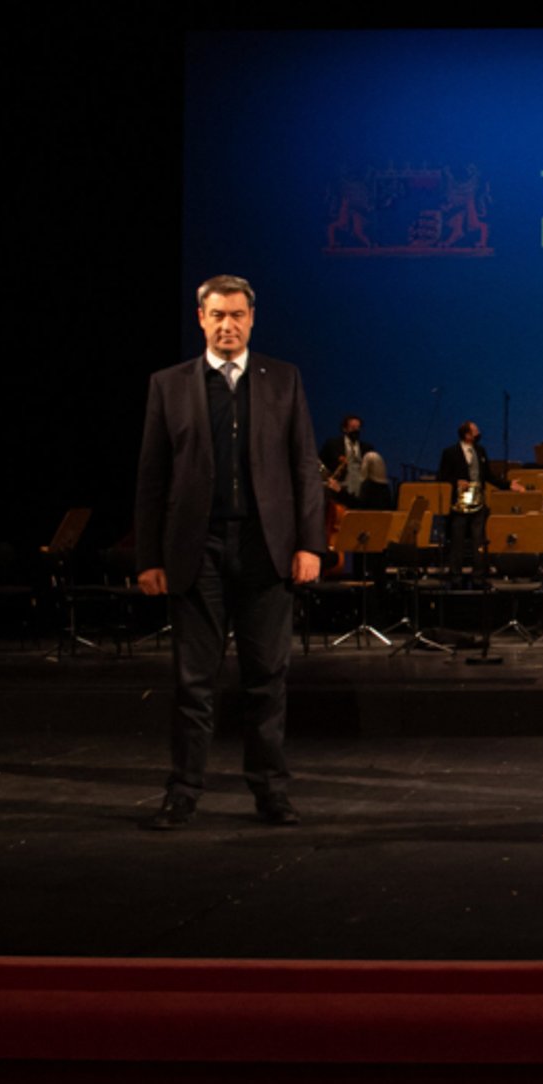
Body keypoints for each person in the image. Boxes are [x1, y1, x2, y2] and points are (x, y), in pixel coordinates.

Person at [134, 274, 324, 830]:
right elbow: (151, 479)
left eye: (237, 315)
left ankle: (271, 791)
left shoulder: (282, 380)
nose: (227, 325)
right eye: (217, 315)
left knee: (266, 678)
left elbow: (303, 468)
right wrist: (148, 558)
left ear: (251, 318)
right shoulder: (168, 385)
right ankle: (184, 790)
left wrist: (310, 544)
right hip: (197, 551)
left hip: (266, 550)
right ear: (200, 318)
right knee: (193, 681)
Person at [437, 420, 523, 581]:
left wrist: (508, 485)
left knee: (479, 539)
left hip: (478, 502)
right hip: (459, 503)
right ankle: (455, 573)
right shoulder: (450, 452)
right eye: (475, 430)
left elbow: (488, 475)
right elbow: (441, 476)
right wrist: (456, 481)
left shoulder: (480, 451)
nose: (478, 433)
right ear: (467, 435)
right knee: (458, 538)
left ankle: (479, 574)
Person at [319, 414, 372, 501]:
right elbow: (320, 463)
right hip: (338, 488)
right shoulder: (332, 444)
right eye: (353, 427)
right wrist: (328, 479)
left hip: (359, 490)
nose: (356, 430)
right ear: (344, 429)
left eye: (358, 427)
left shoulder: (367, 448)